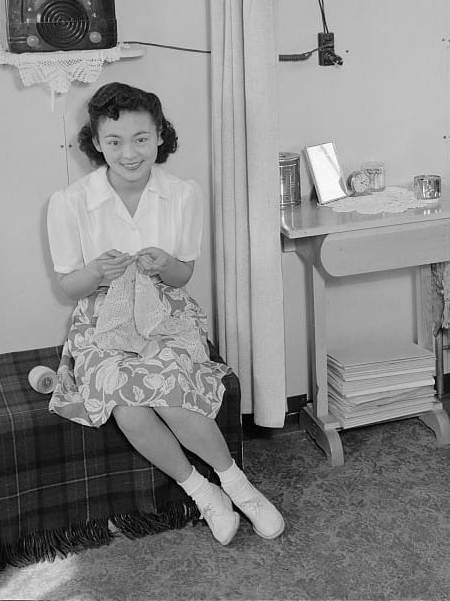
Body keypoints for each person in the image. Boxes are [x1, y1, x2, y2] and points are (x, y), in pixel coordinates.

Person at [46, 82, 285, 545]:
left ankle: (239, 486)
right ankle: (202, 493)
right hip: (101, 321)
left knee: (169, 390)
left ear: (160, 136)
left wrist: (165, 265)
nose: (129, 153)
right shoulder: (69, 203)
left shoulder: (183, 194)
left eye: (141, 138)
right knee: (128, 406)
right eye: (114, 142)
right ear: (96, 143)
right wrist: (96, 270)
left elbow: (183, 276)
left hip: (165, 312)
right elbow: (68, 286)